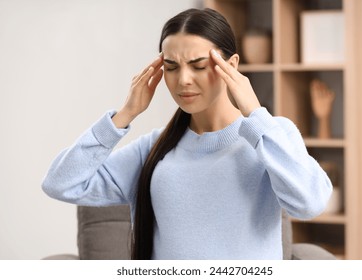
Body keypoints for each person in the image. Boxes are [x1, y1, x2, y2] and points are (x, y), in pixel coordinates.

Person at [42, 8, 332, 260]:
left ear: (230, 66)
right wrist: (124, 115)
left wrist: (255, 114)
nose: (183, 80)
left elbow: (310, 203)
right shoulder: (152, 150)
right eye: (171, 67)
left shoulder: (269, 138)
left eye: (198, 66)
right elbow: (61, 183)